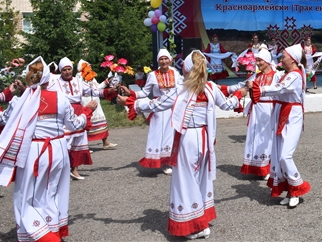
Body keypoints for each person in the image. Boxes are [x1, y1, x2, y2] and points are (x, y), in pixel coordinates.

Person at [118, 50, 247, 240]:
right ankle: (200, 216)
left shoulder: (182, 90)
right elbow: (227, 105)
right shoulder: (210, 87)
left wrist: (133, 105)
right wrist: (239, 94)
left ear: (186, 69)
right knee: (200, 178)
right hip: (205, 138)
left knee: (185, 180)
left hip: (189, 138)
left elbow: (156, 104)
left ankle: (196, 225)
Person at [0, 56, 92, 241]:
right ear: (48, 77)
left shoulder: (19, 101)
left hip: (33, 151)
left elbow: (2, 120)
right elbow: (74, 124)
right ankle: (52, 230)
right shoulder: (60, 97)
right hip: (58, 148)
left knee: (26, 195)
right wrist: (87, 113)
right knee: (53, 191)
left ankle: (40, 235)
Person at [248, 44, 311, 208]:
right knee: (278, 155)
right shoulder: (286, 74)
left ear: (293, 59)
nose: (281, 59)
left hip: (292, 116)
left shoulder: (295, 76)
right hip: (282, 114)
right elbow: (276, 84)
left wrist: (259, 90)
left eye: (283, 56)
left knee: (285, 155)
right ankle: (290, 190)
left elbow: (280, 89)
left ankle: (298, 187)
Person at [48, 57, 113, 180]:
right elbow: (46, 96)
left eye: (69, 69)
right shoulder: (55, 84)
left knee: (79, 141)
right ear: (61, 71)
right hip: (64, 114)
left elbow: (93, 90)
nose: (67, 72)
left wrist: (108, 91)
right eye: (64, 70)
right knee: (65, 143)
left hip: (78, 112)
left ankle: (75, 170)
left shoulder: (78, 81)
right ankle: (61, 170)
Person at [120, 49, 183, 175]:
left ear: (170, 60)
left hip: (172, 109)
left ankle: (168, 162)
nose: (164, 61)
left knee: (171, 135)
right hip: (158, 109)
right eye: (161, 59)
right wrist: (131, 93)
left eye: (166, 58)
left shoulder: (176, 73)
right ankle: (160, 161)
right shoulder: (153, 75)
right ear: (158, 61)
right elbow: (145, 92)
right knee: (158, 135)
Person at [226, 48, 280, 179]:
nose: (257, 63)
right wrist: (224, 89)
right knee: (256, 138)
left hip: (269, 110)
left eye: (260, 60)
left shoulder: (277, 75)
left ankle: (268, 167)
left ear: (267, 61)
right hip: (256, 110)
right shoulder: (255, 76)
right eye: (257, 60)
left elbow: (280, 91)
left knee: (267, 138)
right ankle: (258, 167)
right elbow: (240, 85)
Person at [76, 59, 117, 150]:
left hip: (96, 103)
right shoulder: (79, 78)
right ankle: (85, 146)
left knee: (101, 120)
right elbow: (83, 90)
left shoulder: (91, 77)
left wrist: (107, 81)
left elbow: (97, 87)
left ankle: (105, 143)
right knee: (86, 124)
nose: (90, 67)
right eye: (88, 66)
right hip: (86, 102)